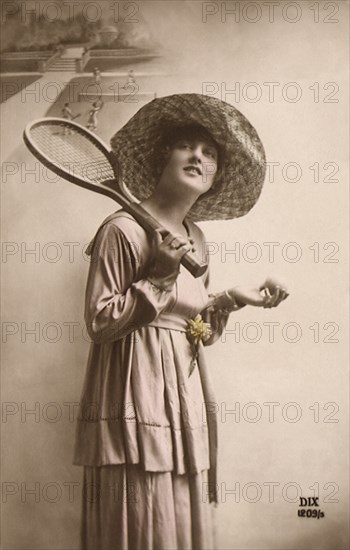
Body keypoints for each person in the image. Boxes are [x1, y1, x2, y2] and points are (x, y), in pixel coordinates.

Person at [73, 94, 289, 550]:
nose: (198, 157)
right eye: (187, 146)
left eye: (209, 153)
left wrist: (231, 299)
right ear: (162, 157)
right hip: (130, 395)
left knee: (176, 513)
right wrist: (159, 276)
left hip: (180, 400)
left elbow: (195, 332)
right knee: (137, 509)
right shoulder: (122, 230)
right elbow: (98, 321)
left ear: (214, 177)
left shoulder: (198, 240)